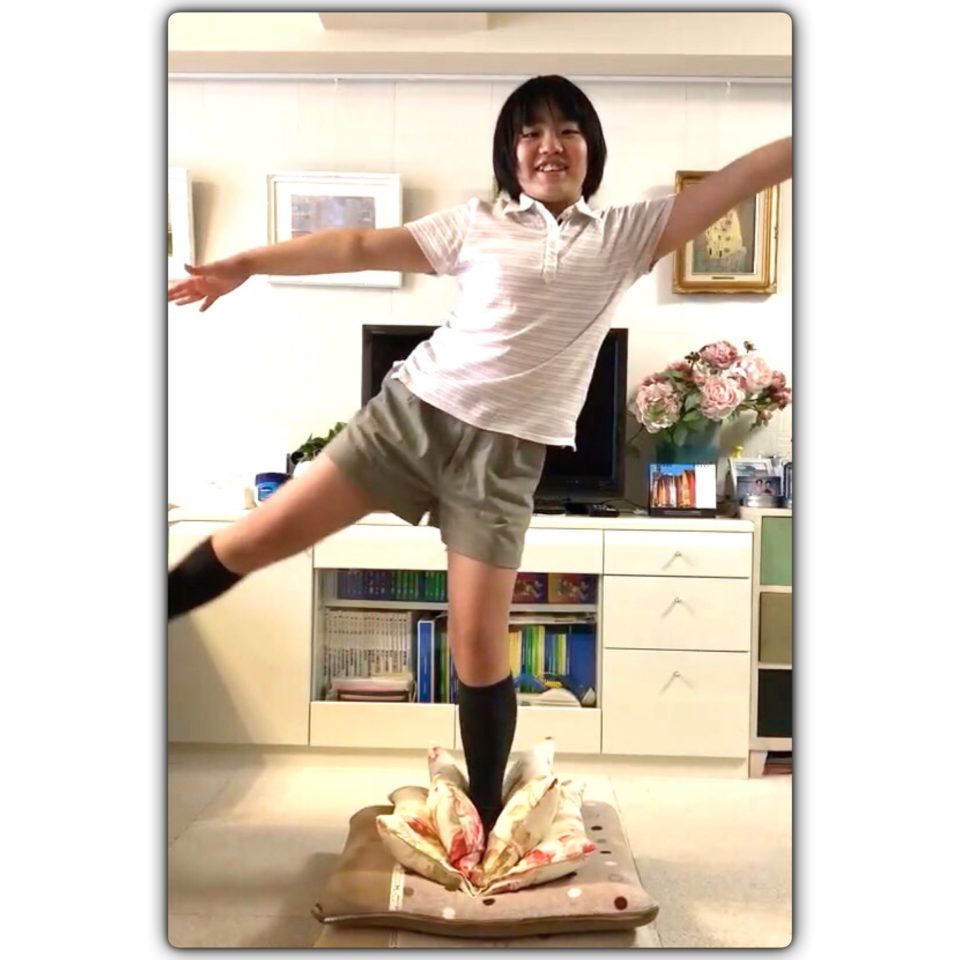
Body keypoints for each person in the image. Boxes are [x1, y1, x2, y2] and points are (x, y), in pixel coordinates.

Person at [168, 75, 792, 835]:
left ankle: (488, 821)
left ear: (591, 149)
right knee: (255, 539)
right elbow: (359, 244)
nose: (549, 145)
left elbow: (742, 177)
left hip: (504, 462)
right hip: (409, 423)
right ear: (509, 153)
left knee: (477, 644)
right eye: (530, 132)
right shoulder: (477, 223)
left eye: (568, 130)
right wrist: (247, 262)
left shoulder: (627, 235)